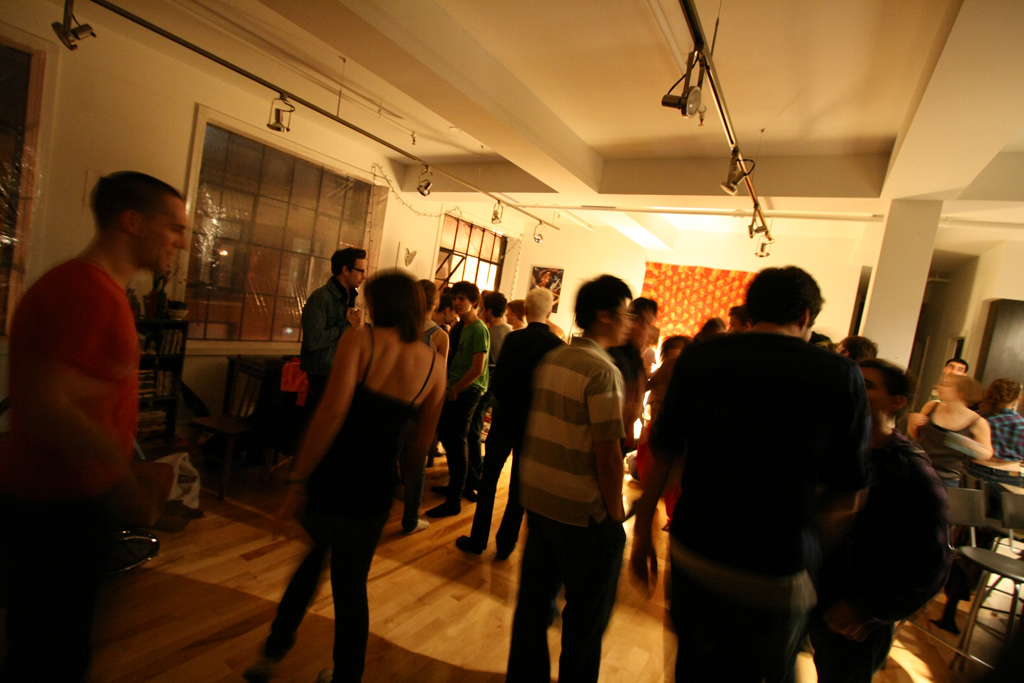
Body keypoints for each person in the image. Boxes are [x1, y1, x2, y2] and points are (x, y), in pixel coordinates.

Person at [630, 266, 870, 683]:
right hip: (778, 566)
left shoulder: (701, 358)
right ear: (805, 316)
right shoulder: (840, 374)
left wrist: (641, 531)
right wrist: (811, 553)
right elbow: (849, 493)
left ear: (751, 309)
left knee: (693, 667)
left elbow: (665, 453)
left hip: (696, 549)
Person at [0, 171, 188, 682]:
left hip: (65, 501)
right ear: (132, 221)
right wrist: (124, 481)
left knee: (52, 642)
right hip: (58, 506)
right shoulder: (85, 293)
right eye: (174, 227)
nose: (180, 242)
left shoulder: (93, 288)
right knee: (51, 653)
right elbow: (52, 406)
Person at [245, 272, 445, 683]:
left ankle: (272, 653)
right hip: (376, 484)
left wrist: (297, 480)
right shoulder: (435, 365)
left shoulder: (361, 339)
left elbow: (332, 413)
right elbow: (421, 444)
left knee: (312, 561)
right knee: (352, 585)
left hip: (335, 472)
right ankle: (347, 676)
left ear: (383, 304)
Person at [506, 275, 632, 683]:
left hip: (540, 501)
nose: (629, 323)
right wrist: (615, 515)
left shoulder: (554, 359)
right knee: (585, 623)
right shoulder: (603, 372)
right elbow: (608, 457)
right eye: (625, 314)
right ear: (604, 315)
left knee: (532, 608)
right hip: (582, 513)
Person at [807, 359, 951, 683]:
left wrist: (871, 610)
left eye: (867, 384)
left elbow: (935, 558)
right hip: (815, 594)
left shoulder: (909, 469)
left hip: (855, 608)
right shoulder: (836, 449)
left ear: (896, 401)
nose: (853, 388)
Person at [455, 287, 563, 558]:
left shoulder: (514, 339)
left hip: (505, 420)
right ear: (549, 313)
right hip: (534, 425)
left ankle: (478, 539)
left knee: (489, 481)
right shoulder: (558, 347)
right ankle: (506, 544)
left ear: (525, 310)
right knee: (518, 487)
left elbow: (499, 383)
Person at [426, 281, 490, 518]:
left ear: (474, 302)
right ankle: (457, 486)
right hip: (454, 388)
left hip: (467, 391)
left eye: (462, 298)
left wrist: (455, 389)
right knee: (448, 437)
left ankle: (454, 499)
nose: (457, 302)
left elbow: (477, 368)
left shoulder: (479, 329)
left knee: (457, 441)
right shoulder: (460, 326)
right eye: (455, 298)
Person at [299, 247, 368, 406]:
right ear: (345, 270)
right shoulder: (321, 298)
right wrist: (347, 325)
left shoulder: (349, 297)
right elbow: (313, 340)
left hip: (339, 370)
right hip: (321, 373)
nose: (364, 277)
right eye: (360, 271)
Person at [907, 374, 993, 486]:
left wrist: (962, 443)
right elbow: (916, 435)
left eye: (946, 385)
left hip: (945, 479)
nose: (939, 387)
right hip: (915, 470)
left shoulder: (977, 422)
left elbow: (986, 454)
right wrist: (913, 424)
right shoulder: (931, 406)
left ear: (961, 393)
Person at [608, 297, 658, 452]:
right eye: (645, 323)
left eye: (649, 324)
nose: (647, 332)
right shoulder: (615, 353)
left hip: (620, 433)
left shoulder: (635, 356)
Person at [966, 378, 1024, 513]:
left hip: (976, 471)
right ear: (1016, 399)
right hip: (1009, 476)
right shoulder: (1021, 423)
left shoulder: (976, 418)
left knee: (968, 518)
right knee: (1001, 521)